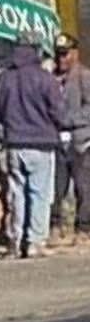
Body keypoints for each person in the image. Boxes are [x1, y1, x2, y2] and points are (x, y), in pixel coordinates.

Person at [0, 41, 67, 259]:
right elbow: (58, 112)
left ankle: (15, 239)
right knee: (39, 194)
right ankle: (35, 241)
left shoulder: (4, 79)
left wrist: (2, 137)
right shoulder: (45, 79)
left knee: (17, 193)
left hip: (14, 143)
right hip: (42, 143)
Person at [52, 34, 90, 245]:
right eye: (58, 55)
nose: (61, 59)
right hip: (57, 141)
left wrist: (69, 120)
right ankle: (55, 226)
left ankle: (83, 228)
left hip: (81, 141)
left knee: (84, 188)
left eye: (65, 54)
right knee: (57, 187)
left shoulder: (84, 76)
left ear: (75, 53)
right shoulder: (51, 77)